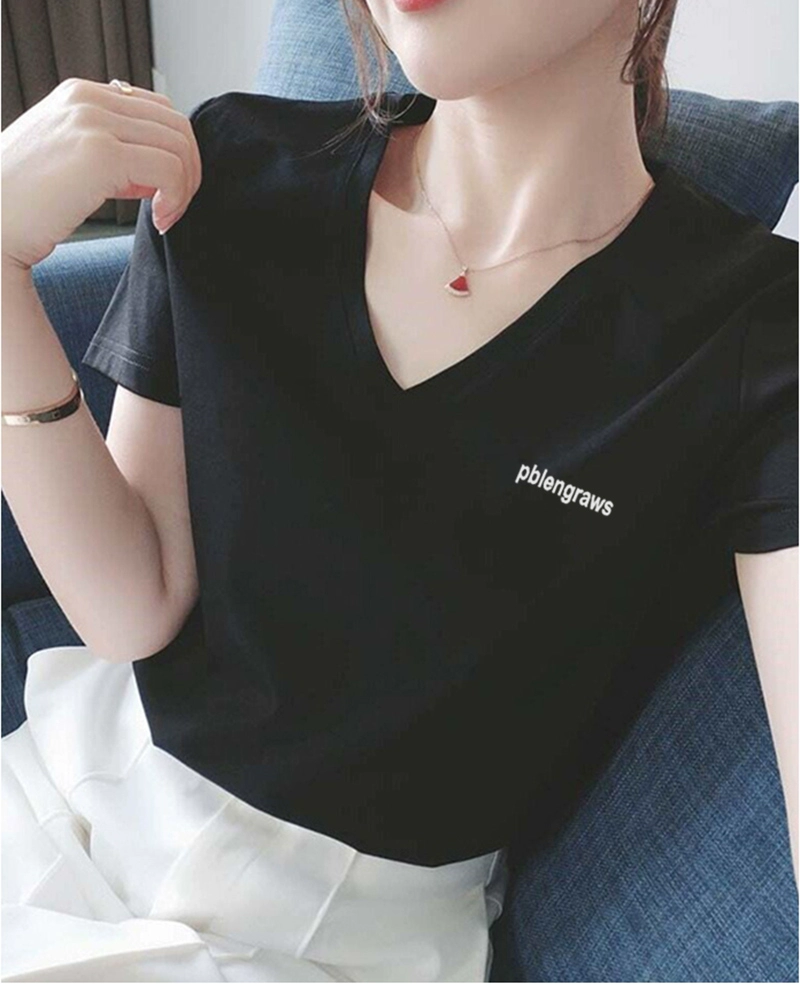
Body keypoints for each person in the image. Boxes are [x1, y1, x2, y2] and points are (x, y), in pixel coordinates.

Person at [1, 0, 797, 980]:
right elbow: (134, 605)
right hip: (63, 814)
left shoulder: (756, 335)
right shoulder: (231, 164)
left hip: (336, 948)